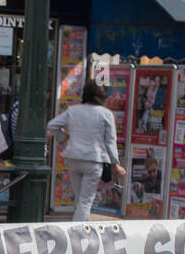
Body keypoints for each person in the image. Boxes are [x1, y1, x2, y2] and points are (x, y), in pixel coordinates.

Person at [47, 81, 126, 222]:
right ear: (102, 96)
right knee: (86, 201)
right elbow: (110, 141)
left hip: (73, 158)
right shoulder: (106, 114)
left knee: (80, 198)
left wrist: (64, 138)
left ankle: (83, 228)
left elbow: (52, 125)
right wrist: (115, 163)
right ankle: (78, 233)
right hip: (93, 160)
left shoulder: (73, 110)